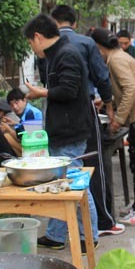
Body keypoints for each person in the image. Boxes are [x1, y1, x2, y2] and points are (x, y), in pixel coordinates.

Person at [22, 14, 99, 252]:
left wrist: (40, 93)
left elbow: (69, 89)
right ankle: (56, 236)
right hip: (63, 128)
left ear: (38, 37)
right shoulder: (59, 54)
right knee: (61, 181)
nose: (32, 49)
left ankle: (89, 236)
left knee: (76, 184)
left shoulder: (67, 54)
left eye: (30, 44)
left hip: (71, 130)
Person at [49, 5, 120, 236]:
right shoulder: (86, 43)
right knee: (91, 164)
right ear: (74, 21)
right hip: (84, 108)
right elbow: (102, 77)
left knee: (62, 168)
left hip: (56, 110)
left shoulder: (47, 45)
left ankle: (60, 231)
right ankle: (102, 222)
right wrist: (108, 103)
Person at [89, 28, 135, 227]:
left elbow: (130, 88)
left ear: (98, 46)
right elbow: (125, 89)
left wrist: (118, 119)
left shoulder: (116, 59)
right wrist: (104, 102)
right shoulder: (118, 56)